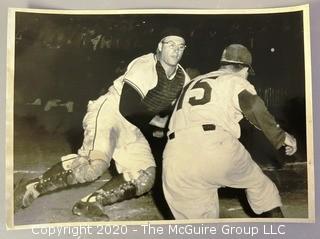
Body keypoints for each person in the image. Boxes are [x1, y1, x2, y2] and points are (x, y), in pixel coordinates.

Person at [14, 28, 190, 219]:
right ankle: (32, 186)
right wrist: (161, 124)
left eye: (180, 46)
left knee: (144, 176)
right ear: (160, 46)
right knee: (93, 165)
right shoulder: (145, 65)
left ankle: (90, 203)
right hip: (111, 112)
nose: (175, 50)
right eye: (170, 45)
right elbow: (128, 107)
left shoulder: (183, 78)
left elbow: (182, 112)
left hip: (133, 126)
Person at [162, 44, 297, 219]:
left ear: (223, 64)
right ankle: (283, 231)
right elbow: (254, 106)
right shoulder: (235, 80)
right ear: (245, 69)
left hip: (175, 156)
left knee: (198, 228)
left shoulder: (191, 84)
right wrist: (280, 136)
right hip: (213, 146)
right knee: (261, 187)